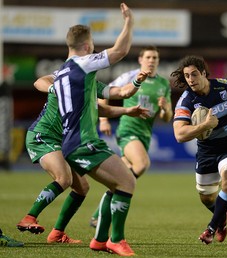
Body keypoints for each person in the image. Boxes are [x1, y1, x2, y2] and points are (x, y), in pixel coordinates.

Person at [17, 70, 149, 244]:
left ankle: (57, 233)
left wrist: (127, 107)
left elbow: (106, 105)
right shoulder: (65, 75)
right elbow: (39, 82)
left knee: (82, 188)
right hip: (43, 135)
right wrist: (55, 90)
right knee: (64, 178)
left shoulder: (92, 84)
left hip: (62, 141)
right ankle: (29, 217)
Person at [51, 3, 140, 256]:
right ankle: (116, 239)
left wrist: (132, 88)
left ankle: (100, 241)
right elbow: (120, 51)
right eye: (93, 45)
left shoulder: (62, 73)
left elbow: (112, 94)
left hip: (70, 140)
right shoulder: (82, 64)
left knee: (116, 186)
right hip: (82, 140)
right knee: (127, 182)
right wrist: (129, 22)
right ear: (88, 47)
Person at [171, 55, 227, 244]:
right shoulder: (186, 101)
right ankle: (221, 218)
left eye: (194, 74)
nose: (190, 79)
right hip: (206, 150)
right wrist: (204, 125)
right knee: (206, 198)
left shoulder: (226, 85)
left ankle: (211, 229)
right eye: (187, 76)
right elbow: (180, 135)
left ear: (204, 73)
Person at [90, 45, 173, 228]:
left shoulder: (163, 84)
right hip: (128, 130)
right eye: (148, 57)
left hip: (145, 135)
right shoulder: (131, 76)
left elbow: (167, 118)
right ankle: (106, 213)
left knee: (121, 178)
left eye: (155, 58)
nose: (152, 61)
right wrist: (103, 120)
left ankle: (98, 215)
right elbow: (106, 93)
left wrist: (166, 107)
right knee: (142, 164)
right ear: (141, 60)